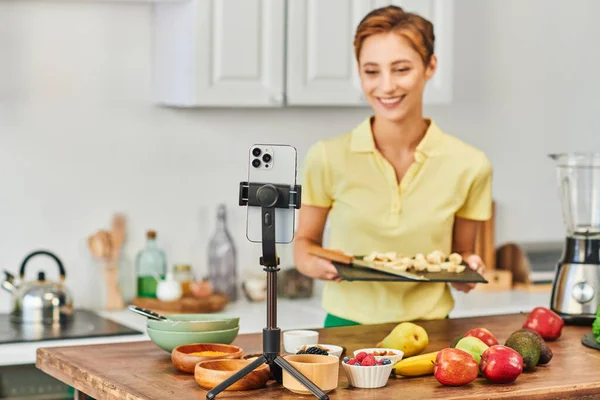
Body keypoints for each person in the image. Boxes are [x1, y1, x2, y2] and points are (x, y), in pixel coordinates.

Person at [293, 5, 493, 328]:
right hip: (346, 328)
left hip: (432, 329)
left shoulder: (470, 165)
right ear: (359, 73)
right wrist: (314, 265)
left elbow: (459, 254)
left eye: (401, 69)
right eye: (372, 72)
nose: (386, 87)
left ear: (430, 66)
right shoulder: (327, 156)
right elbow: (304, 245)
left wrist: (469, 270)